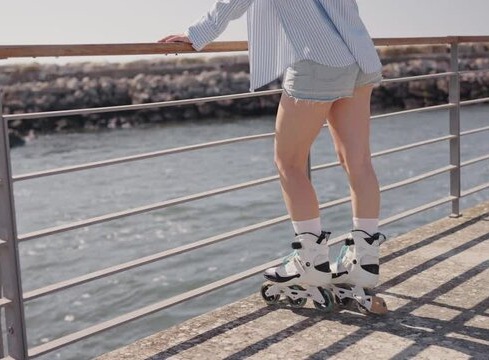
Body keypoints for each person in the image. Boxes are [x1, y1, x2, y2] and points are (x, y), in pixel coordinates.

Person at [159, 0, 388, 313]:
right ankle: (364, 264)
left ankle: (310, 263)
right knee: (358, 162)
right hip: (360, 56)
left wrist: (196, 35)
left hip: (317, 59)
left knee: (289, 163)